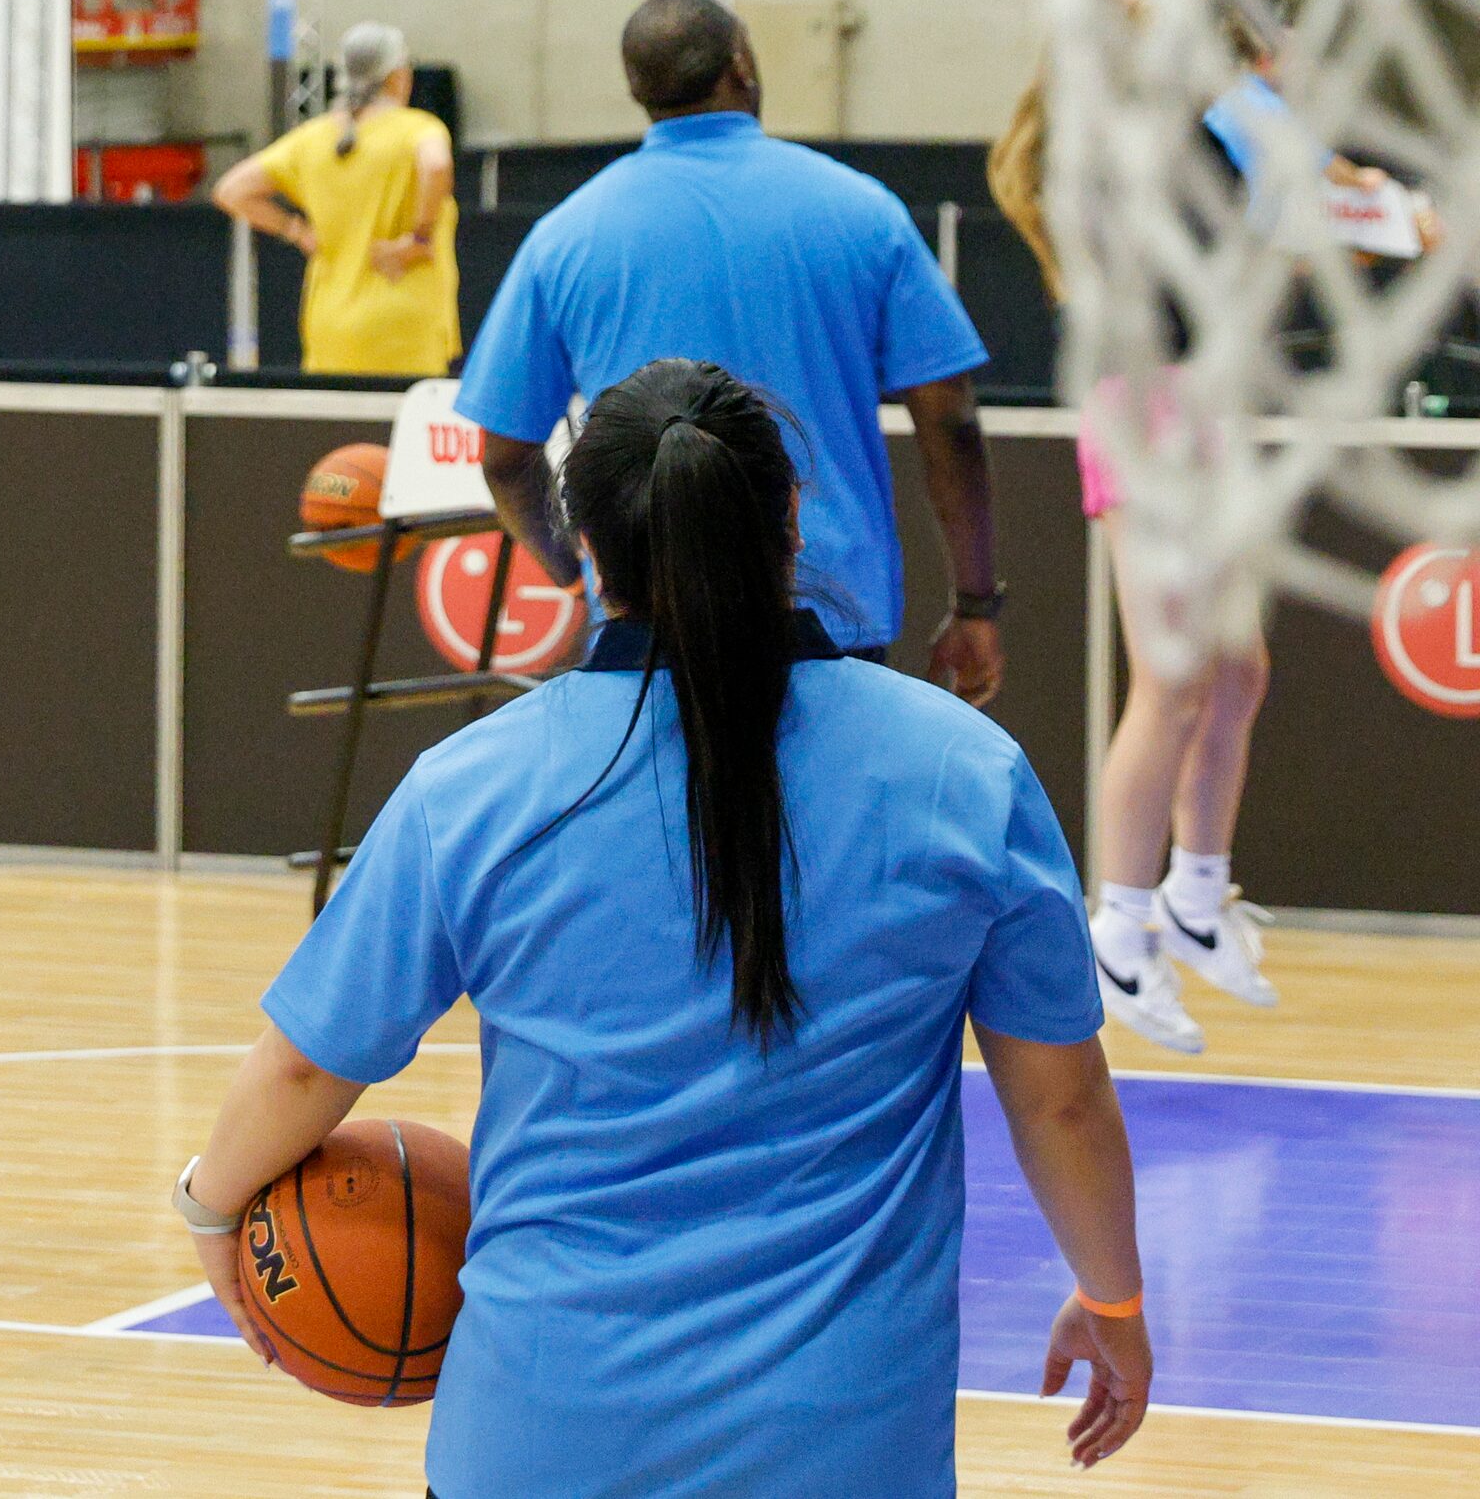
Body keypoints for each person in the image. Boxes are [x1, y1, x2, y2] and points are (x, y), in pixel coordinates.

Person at [177, 359, 1149, 1497]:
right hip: (842, 1445)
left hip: (537, 1439)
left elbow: (302, 1069)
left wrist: (208, 1208)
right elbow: (1060, 1099)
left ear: (582, 550)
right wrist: (1112, 1300)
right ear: (791, 516)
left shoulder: (472, 787)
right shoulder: (963, 774)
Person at [984, 0, 1384, 1053]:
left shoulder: (1188, 86)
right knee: (1168, 681)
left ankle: (1197, 902)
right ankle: (1115, 931)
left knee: (1237, 669)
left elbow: (1235, 35)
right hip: (1147, 408)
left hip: (1197, 404)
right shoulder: (1113, 85)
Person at [459, 0, 1004, 697]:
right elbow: (950, 419)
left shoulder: (564, 237)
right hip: (830, 625)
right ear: (741, 64)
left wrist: (573, 568)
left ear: (638, 90)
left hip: (644, 627)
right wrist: (974, 604)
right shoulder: (864, 212)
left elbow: (504, 458)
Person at [210, 21, 460, 376]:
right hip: (403, 328)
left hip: (330, 327)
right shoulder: (418, 129)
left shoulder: (311, 139)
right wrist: (419, 237)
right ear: (397, 76)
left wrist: (295, 230)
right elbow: (436, 166)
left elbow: (231, 191)